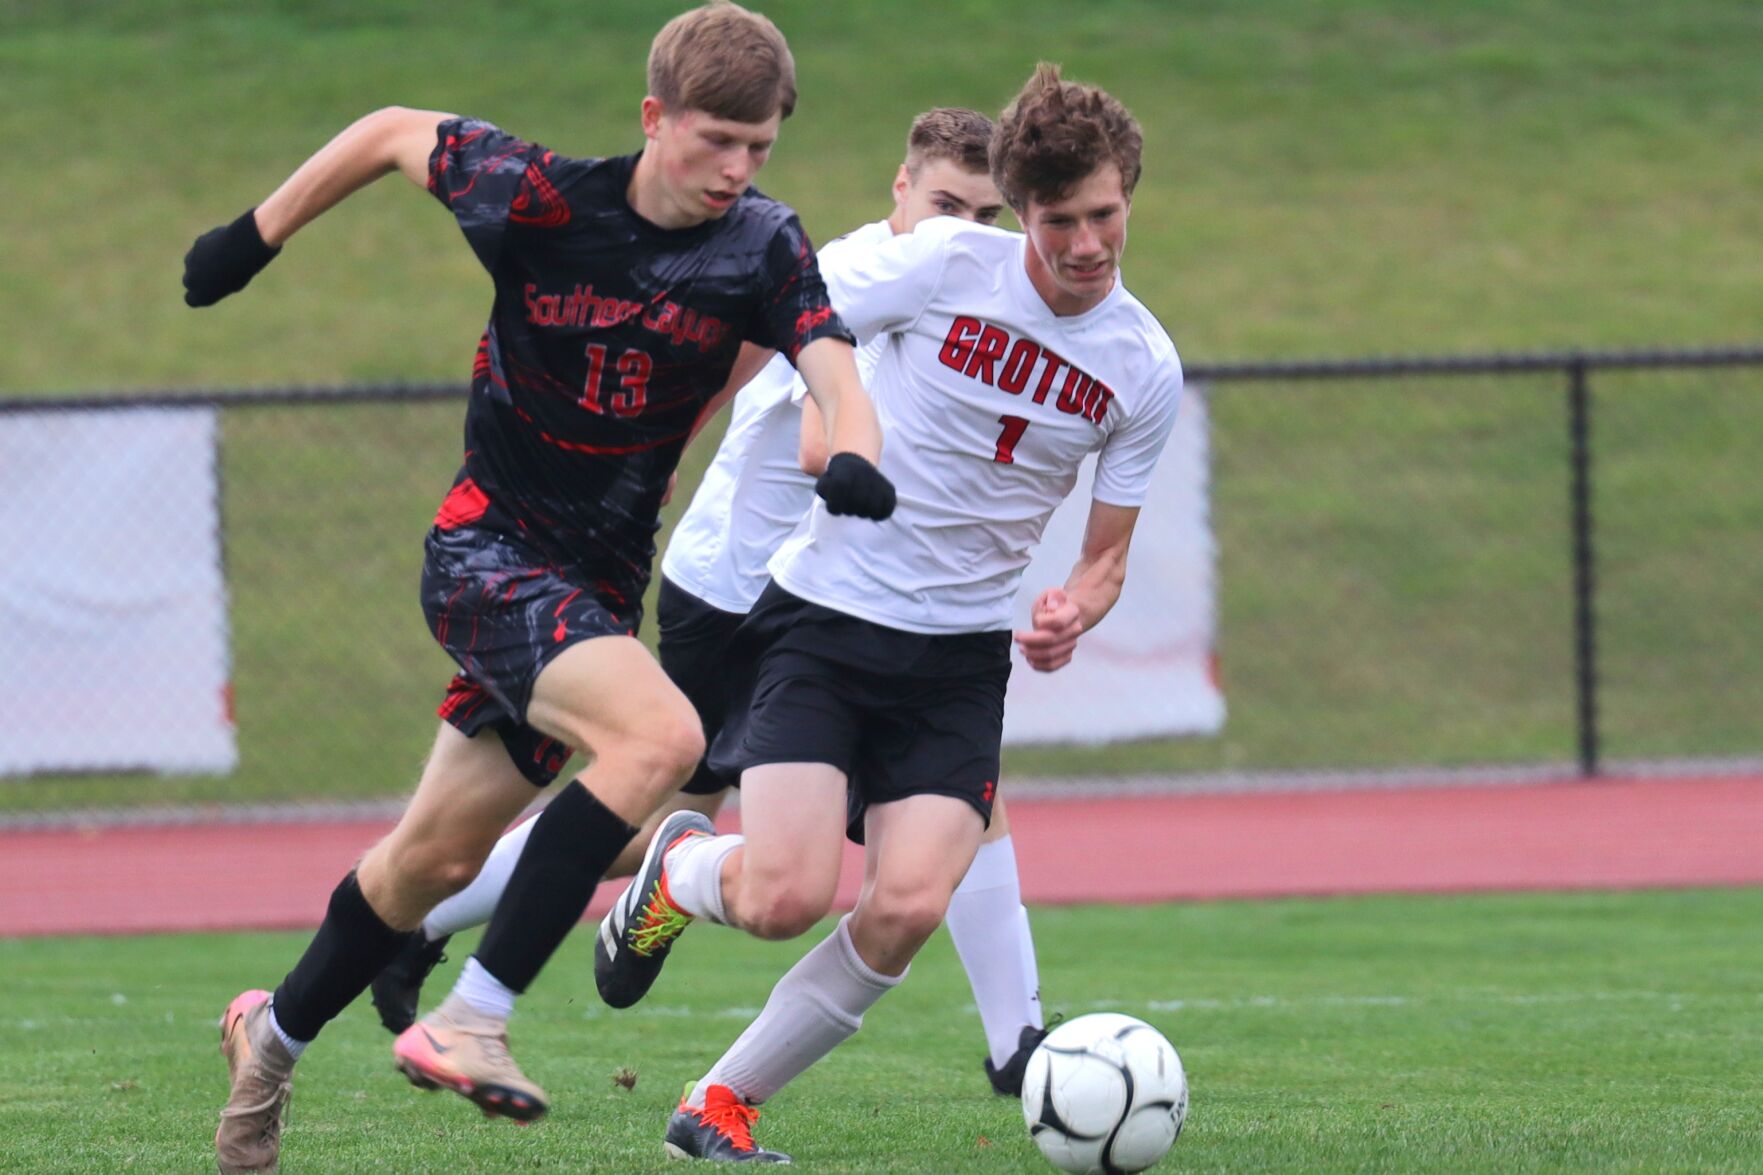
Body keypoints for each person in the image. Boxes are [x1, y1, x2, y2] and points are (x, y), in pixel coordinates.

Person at [181, 5, 896, 1171]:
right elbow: (389, 130)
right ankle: (476, 1012)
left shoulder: (761, 242)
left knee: (432, 860)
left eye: (758, 146)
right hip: (485, 555)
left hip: (590, 594)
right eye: (715, 138)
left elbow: (828, 353)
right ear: (653, 118)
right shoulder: (541, 197)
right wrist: (250, 237)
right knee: (662, 735)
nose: (736, 168)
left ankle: (270, 1036)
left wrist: (853, 438)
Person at [371, 106, 1052, 1099]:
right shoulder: (860, 274)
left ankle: (1018, 1041)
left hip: (830, 599)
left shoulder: (945, 286)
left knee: (954, 798)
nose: (964, 230)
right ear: (899, 190)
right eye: (946, 203)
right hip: (749, 594)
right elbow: (792, 397)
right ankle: (432, 916)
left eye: (987, 216)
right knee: (648, 817)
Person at [594, 62, 1185, 1163]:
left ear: (1127, 195)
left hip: (959, 660)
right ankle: (674, 871)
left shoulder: (1142, 367)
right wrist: (820, 424)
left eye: (1104, 214)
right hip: (825, 623)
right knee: (781, 895)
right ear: (1025, 212)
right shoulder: (940, 266)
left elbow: (1104, 557)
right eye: (1059, 221)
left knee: (907, 905)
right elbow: (788, 319)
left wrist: (1074, 607)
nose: (1086, 244)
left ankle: (717, 1104)